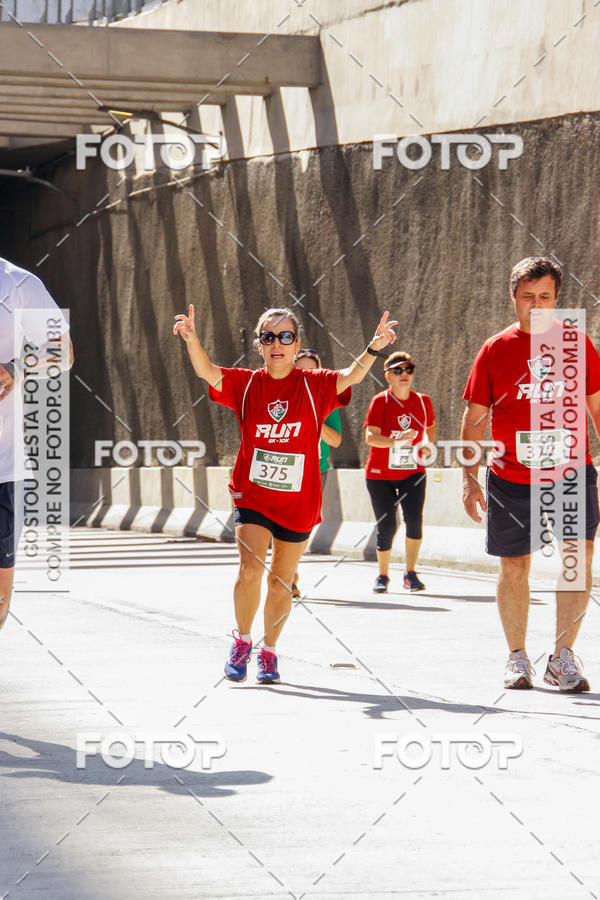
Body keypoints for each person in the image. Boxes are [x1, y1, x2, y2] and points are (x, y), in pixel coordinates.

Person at [173, 304, 398, 684]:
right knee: (250, 571)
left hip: (298, 499)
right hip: (253, 494)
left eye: (286, 336)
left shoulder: (315, 385)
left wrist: (373, 349)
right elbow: (206, 372)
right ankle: (242, 641)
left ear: (297, 346)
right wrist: (193, 340)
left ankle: (270, 651)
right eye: (269, 337)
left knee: (280, 581)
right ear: (259, 345)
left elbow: (350, 376)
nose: (277, 343)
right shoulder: (246, 384)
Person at [461, 256, 600, 691]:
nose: (536, 305)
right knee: (515, 568)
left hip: (572, 475)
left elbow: (597, 409)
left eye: (545, 297)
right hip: (511, 478)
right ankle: (518, 658)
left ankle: (561, 659)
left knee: (576, 564)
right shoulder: (495, 350)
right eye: (527, 297)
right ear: (513, 297)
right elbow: (475, 418)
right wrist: (468, 477)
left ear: (557, 299)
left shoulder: (578, 344)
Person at [0, 257, 73, 631]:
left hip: (4, 464)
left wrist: (17, 367)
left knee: (0, 600)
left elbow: (64, 352)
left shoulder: (18, 283)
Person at [363, 351, 436, 593]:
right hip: (379, 475)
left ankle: (411, 573)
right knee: (387, 526)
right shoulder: (380, 401)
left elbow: (431, 427)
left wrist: (427, 446)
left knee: (414, 520)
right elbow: (370, 437)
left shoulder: (423, 401)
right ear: (388, 376)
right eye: (397, 370)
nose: (404, 375)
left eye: (408, 370)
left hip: (412, 472)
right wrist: (399, 442)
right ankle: (382, 575)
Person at [292, 348, 343, 598]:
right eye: (301, 369)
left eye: (312, 370)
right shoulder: (281, 397)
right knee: (281, 524)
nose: (306, 374)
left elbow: (335, 441)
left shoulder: (327, 400)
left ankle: (291, 570)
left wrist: (316, 418)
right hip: (286, 468)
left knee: (303, 525)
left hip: (316, 470)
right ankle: (286, 570)